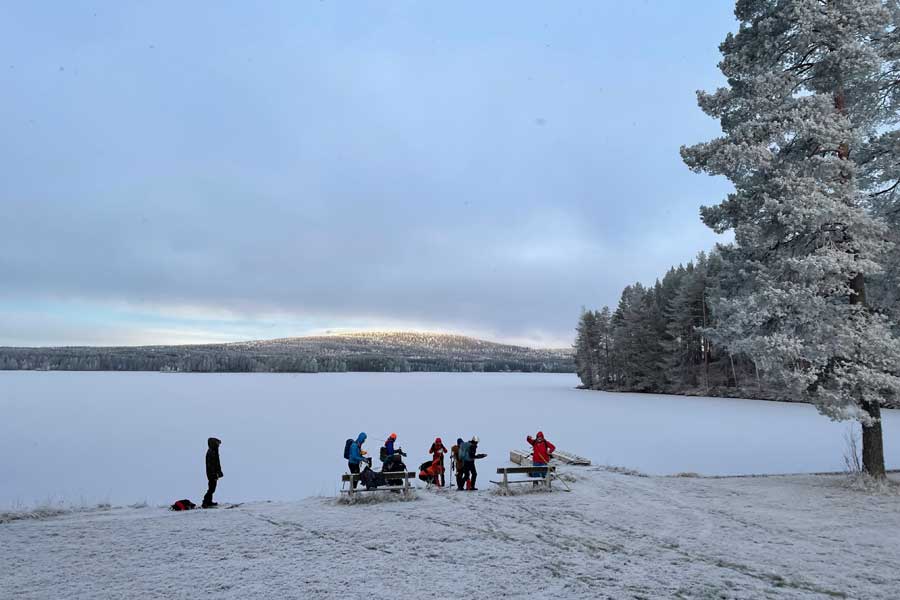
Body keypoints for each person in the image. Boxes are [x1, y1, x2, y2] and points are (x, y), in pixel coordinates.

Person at [203, 437, 223, 508]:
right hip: (212, 474)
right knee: (211, 488)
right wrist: (214, 474)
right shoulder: (211, 452)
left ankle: (209, 501)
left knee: (212, 488)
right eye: (217, 443)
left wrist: (218, 472)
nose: (218, 445)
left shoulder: (214, 451)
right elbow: (210, 465)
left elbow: (217, 463)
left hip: (214, 473)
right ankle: (205, 502)